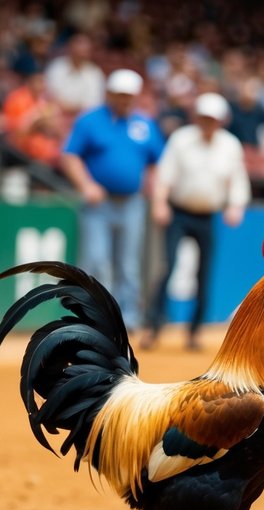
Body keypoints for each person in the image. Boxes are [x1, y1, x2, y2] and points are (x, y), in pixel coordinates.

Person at [144, 92, 250, 351]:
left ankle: (194, 332)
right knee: (166, 268)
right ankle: (154, 327)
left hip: (207, 215)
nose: (208, 123)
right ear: (196, 117)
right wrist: (160, 203)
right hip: (179, 212)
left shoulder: (230, 145)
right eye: (204, 118)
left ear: (220, 121)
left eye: (212, 119)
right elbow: (165, 174)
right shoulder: (182, 140)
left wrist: (236, 205)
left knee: (204, 274)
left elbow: (237, 179)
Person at [59, 69, 164, 331]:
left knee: (128, 264)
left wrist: (155, 191)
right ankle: (93, 317)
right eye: (120, 95)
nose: (125, 100)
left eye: (129, 96)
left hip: (132, 203)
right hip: (98, 203)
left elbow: (158, 162)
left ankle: (127, 319)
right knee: (96, 260)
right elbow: (70, 155)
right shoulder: (90, 121)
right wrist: (86, 184)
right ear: (109, 94)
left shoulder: (144, 124)